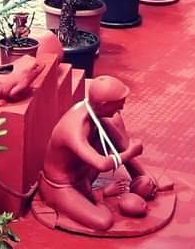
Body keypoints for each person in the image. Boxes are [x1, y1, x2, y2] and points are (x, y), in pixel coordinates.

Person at [37, 75, 170, 233]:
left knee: (111, 122)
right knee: (103, 221)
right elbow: (101, 164)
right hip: (63, 186)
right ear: (103, 104)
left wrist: (126, 147)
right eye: (118, 105)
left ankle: (140, 175)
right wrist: (130, 152)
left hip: (84, 173)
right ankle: (98, 196)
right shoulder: (73, 129)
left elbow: (112, 129)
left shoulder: (93, 109)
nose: (121, 108)